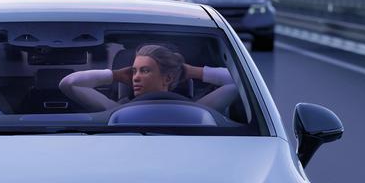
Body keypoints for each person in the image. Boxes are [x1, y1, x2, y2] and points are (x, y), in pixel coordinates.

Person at [58, 44, 238, 113]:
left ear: (167, 78)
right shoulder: (198, 112)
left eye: (144, 71)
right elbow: (68, 84)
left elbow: (238, 82)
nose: (135, 77)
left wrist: (192, 71)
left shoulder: (197, 110)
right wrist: (116, 75)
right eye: (133, 71)